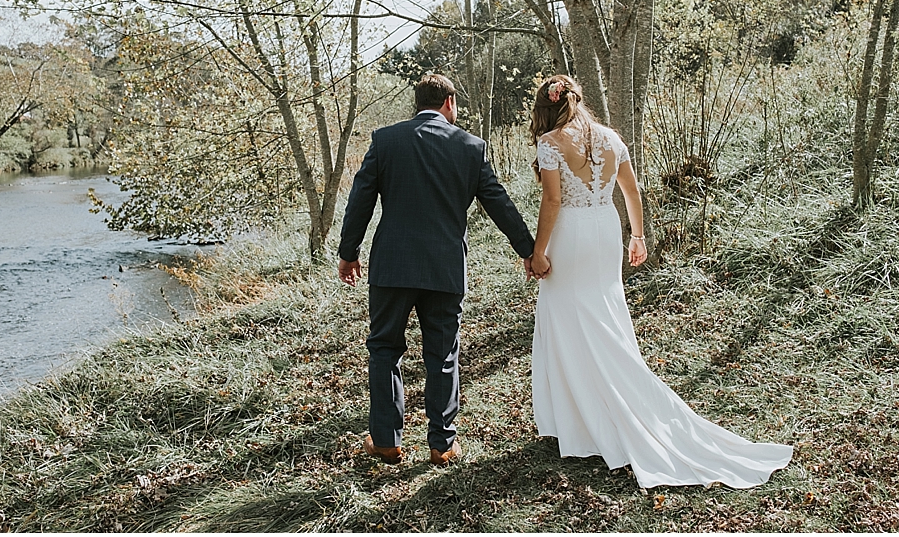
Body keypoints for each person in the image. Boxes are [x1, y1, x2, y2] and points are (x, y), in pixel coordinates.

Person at [528, 74, 792, 488]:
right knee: (602, 311)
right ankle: (597, 406)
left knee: (566, 313)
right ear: (578, 100)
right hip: (605, 230)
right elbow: (632, 193)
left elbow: (553, 200)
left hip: (572, 234)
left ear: (548, 107)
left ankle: (578, 421)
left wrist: (539, 250)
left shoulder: (551, 143)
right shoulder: (612, 138)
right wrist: (637, 235)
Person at [338, 73, 535, 466]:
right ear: (449, 103)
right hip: (444, 267)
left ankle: (386, 440)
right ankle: (442, 444)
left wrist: (349, 252)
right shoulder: (470, 146)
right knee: (443, 354)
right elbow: (499, 203)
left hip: (393, 264)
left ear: (419, 102)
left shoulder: (386, 140)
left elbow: (360, 199)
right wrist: (528, 250)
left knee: (384, 349)